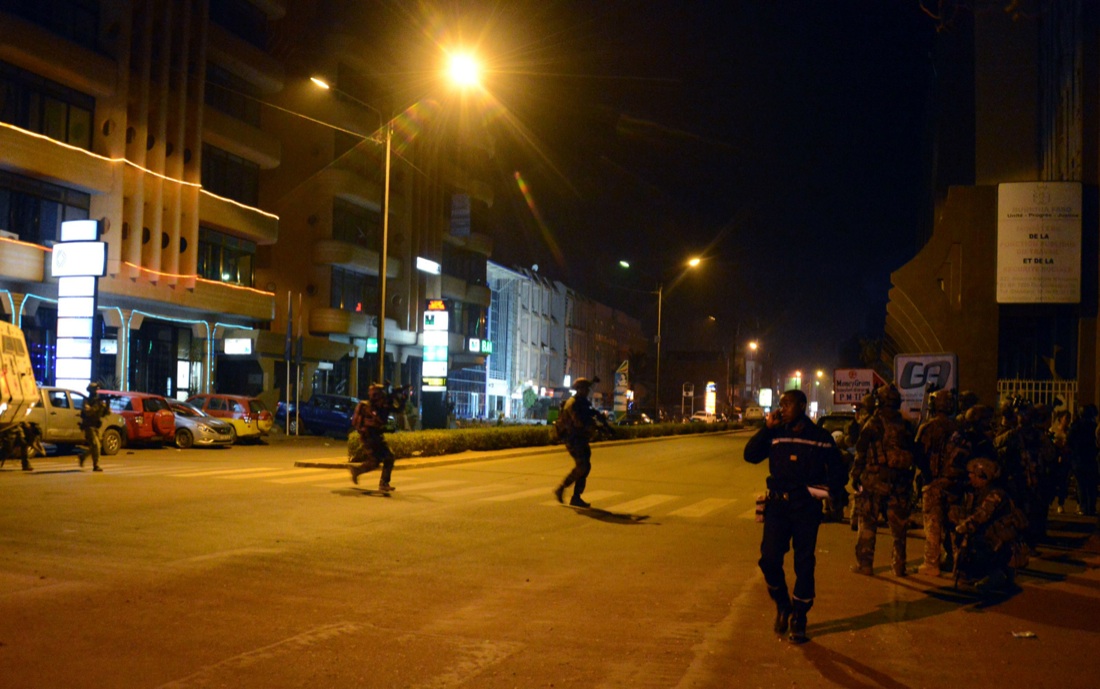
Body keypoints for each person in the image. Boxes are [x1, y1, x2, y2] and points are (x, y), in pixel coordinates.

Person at [744, 389, 847, 644]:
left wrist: (819, 494)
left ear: (801, 405)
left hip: (805, 509)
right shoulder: (777, 434)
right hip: (778, 506)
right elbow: (750, 455)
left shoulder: (820, 438)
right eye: (781, 405)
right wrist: (767, 428)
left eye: (787, 404)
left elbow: (838, 475)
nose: (782, 409)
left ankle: (799, 617)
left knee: (804, 563)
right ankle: (782, 603)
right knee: (768, 559)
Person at [851, 383, 917, 577]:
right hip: (900, 482)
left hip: (873, 480)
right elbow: (914, 451)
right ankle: (899, 567)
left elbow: (861, 451)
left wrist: (855, 476)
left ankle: (865, 565)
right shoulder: (906, 425)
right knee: (899, 527)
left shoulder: (873, 423)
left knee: (868, 522)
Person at [950, 457, 1028, 594]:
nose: (970, 477)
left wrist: (962, 528)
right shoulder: (978, 492)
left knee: (976, 540)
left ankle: (997, 574)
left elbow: (980, 516)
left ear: (983, 476)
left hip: (1003, 546)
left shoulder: (995, 494)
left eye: (973, 474)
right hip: (996, 543)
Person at [915, 388, 959, 576]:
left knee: (933, 525)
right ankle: (957, 562)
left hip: (933, 483)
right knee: (954, 525)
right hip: (954, 484)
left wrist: (926, 476)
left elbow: (918, 454)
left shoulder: (928, 427)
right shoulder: (957, 427)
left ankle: (931, 563)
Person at [553, 377, 608, 508]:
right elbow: (578, 422)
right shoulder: (573, 403)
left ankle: (576, 497)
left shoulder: (582, 402)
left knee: (586, 466)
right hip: (572, 438)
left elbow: (589, 414)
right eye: (584, 388)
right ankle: (561, 488)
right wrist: (594, 427)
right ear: (578, 389)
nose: (587, 391)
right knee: (582, 466)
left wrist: (600, 422)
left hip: (580, 438)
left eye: (587, 389)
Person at [348, 383, 397, 492]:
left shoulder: (372, 405)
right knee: (388, 457)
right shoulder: (369, 407)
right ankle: (383, 483)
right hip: (371, 436)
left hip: (371, 436)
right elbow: (377, 420)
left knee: (375, 461)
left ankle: (357, 471)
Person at [1068, 404, 1099, 516]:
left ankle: (1083, 507)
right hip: (1091, 458)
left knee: (1081, 484)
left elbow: (1069, 441)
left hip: (1078, 459)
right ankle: (1091, 507)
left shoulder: (1076, 426)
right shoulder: (1094, 426)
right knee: (1091, 484)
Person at [78, 383, 110, 472]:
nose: (96, 392)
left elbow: (106, 414)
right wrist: (97, 406)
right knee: (96, 445)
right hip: (89, 426)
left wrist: (107, 404)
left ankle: (83, 456)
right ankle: (96, 465)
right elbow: (88, 412)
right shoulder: (87, 401)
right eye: (94, 390)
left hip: (96, 426)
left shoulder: (99, 402)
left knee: (95, 446)